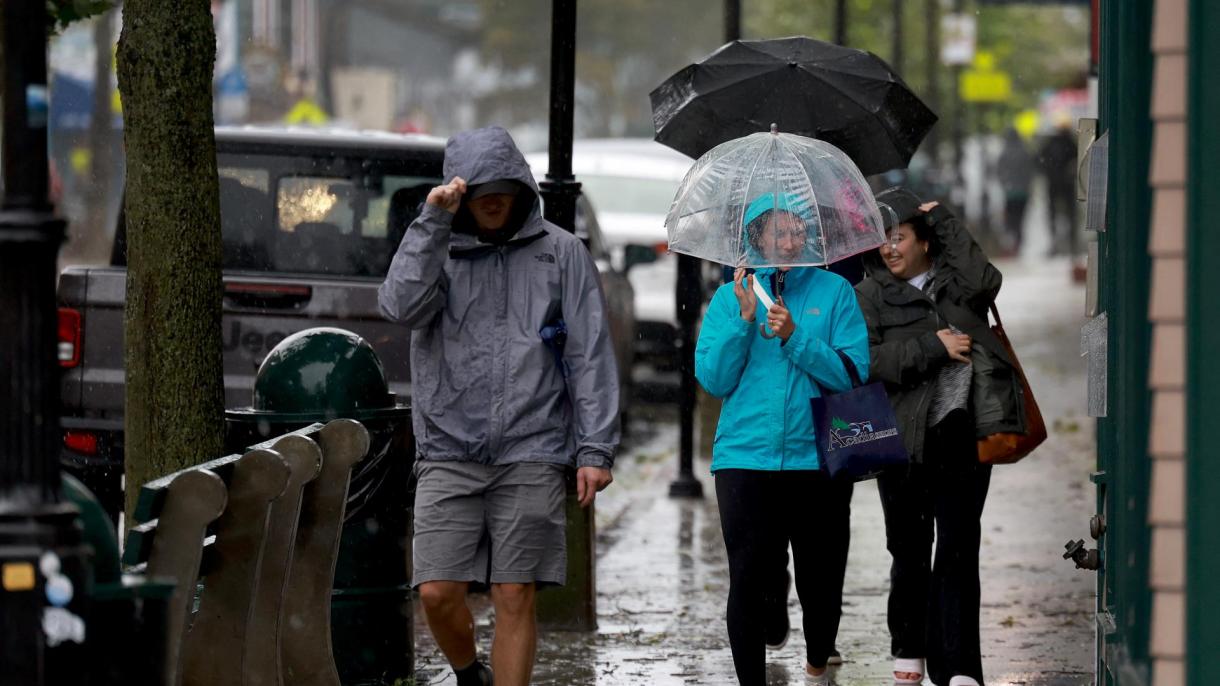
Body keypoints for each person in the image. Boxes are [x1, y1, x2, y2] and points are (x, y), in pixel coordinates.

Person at [378, 126, 619, 686]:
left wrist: (595, 448)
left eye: (503, 186)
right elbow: (398, 306)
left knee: (516, 592)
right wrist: (432, 222)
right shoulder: (440, 249)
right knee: (437, 593)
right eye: (479, 188)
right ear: (458, 192)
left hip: (532, 446)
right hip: (447, 448)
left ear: (521, 188)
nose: (493, 198)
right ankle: (469, 672)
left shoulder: (562, 254)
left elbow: (590, 354)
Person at [695, 192, 869, 686]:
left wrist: (795, 336)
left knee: (822, 583)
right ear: (755, 238)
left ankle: (818, 652)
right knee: (748, 579)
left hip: (818, 459)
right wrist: (744, 324)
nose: (793, 241)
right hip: (744, 459)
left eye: (799, 230)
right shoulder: (731, 298)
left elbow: (851, 374)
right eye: (780, 231)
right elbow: (714, 379)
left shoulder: (835, 292)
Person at [856, 186, 1022, 686]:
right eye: (883, 238)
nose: (890, 248)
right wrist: (932, 346)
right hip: (898, 439)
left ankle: (961, 667)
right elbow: (864, 362)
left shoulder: (958, 285)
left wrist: (945, 219)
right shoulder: (869, 294)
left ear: (925, 241)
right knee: (908, 550)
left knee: (957, 547)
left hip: (961, 434)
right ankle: (909, 648)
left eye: (900, 236)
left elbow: (988, 280)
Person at [1037, 122, 1079, 256]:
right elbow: (1078, 159)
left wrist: (1048, 173)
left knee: (1053, 214)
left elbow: (1039, 161)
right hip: (1067, 184)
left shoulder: (1050, 144)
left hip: (1053, 184)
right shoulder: (1070, 143)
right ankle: (1071, 243)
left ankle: (1055, 242)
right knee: (1070, 214)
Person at [996, 127, 1034, 254]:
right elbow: (1030, 172)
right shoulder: (1024, 152)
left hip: (1010, 193)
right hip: (1022, 193)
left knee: (1010, 219)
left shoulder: (1004, 153)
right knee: (1020, 219)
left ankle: (1012, 242)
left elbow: (999, 172)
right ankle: (1018, 242)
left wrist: (1005, 184)